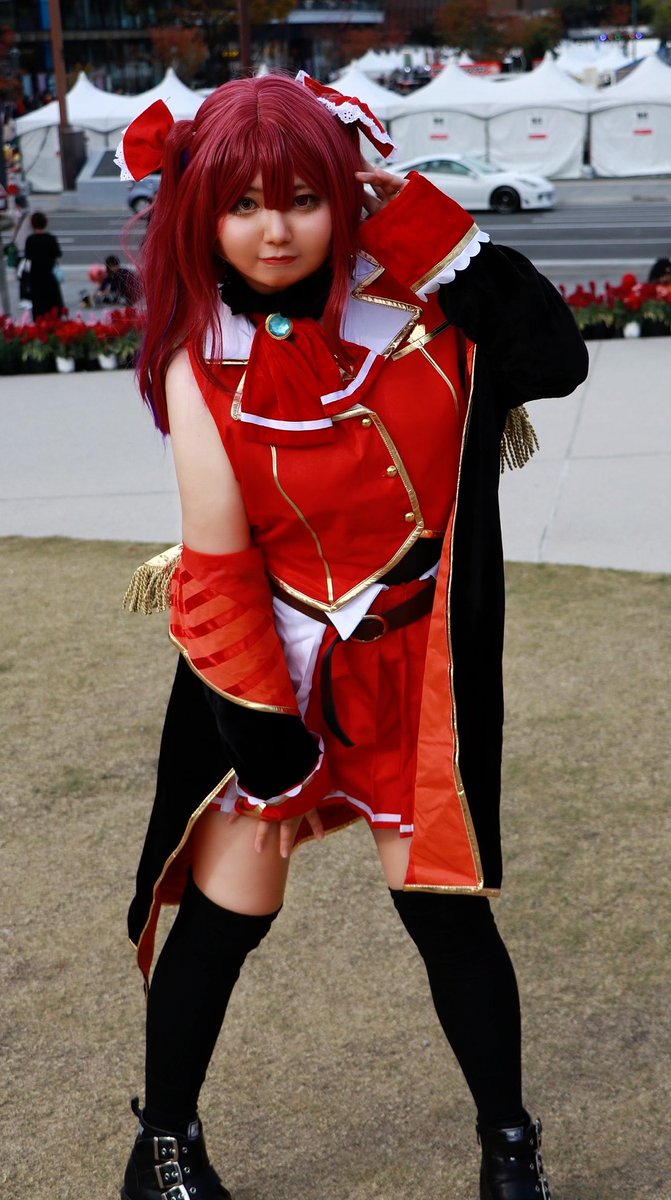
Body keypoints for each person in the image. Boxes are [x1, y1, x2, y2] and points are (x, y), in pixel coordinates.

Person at [117, 74, 588, 1200]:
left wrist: (417, 217)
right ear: (201, 215)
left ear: (347, 194)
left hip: (414, 663)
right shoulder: (199, 358)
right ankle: (164, 1150)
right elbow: (218, 570)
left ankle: (509, 1151)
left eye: (301, 197)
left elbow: (554, 360)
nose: (272, 231)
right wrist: (272, 760)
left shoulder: (427, 309)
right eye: (240, 204)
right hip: (271, 670)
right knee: (228, 914)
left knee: (445, 917)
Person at [23, 210, 64, 319]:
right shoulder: (51, 238)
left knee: (38, 304)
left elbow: (27, 257)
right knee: (53, 303)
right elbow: (58, 253)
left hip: (35, 277)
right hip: (49, 274)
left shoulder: (30, 240)